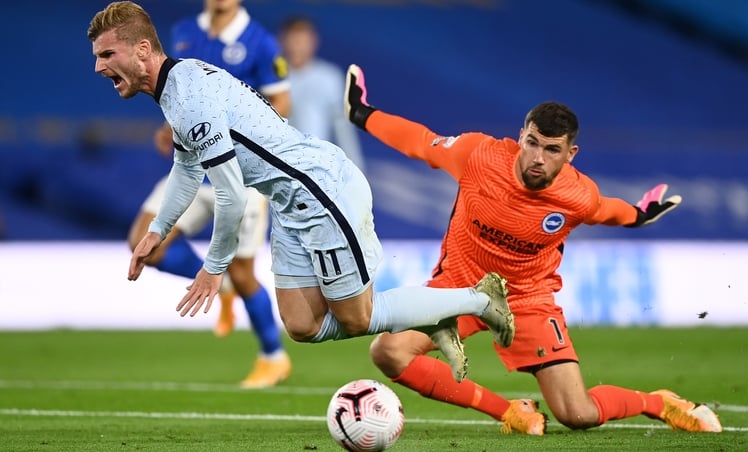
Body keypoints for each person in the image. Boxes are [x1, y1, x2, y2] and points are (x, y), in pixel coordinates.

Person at [88, 1, 516, 382]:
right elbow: (185, 167)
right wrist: (159, 229)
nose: (99, 67)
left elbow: (232, 196)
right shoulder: (175, 89)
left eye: (108, 54)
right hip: (289, 199)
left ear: (143, 50)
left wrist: (214, 266)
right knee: (302, 325)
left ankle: (476, 299)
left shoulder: (190, 95)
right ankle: (430, 317)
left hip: (320, 189)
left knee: (357, 318)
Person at [343, 64, 723, 435]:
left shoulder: (577, 196)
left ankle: (660, 403)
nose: (539, 158)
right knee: (388, 352)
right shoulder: (479, 155)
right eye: (532, 143)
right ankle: (509, 412)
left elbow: (608, 210)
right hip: (460, 289)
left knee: (578, 414)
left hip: (527, 299)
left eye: (552, 150)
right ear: (521, 135)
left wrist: (638, 215)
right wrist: (363, 114)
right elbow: (421, 142)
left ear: (570, 154)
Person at [126, 0, 292, 389]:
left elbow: (281, 103)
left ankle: (273, 356)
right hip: (191, 165)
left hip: (240, 172)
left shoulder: (261, 42)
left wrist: (231, 129)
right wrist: (176, 127)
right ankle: (223, 287)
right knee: (145, 242)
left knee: (242, 270)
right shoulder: (184, 32)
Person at [278, 15, 365, 171]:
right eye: (294, 39)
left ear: (314, 42)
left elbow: (342, 127)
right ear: (282, 40)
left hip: (318, 167)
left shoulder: (330, 77)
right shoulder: (270, 77)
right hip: (276, 165)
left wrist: (355, 169)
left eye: (303, 40)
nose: (298, 46)